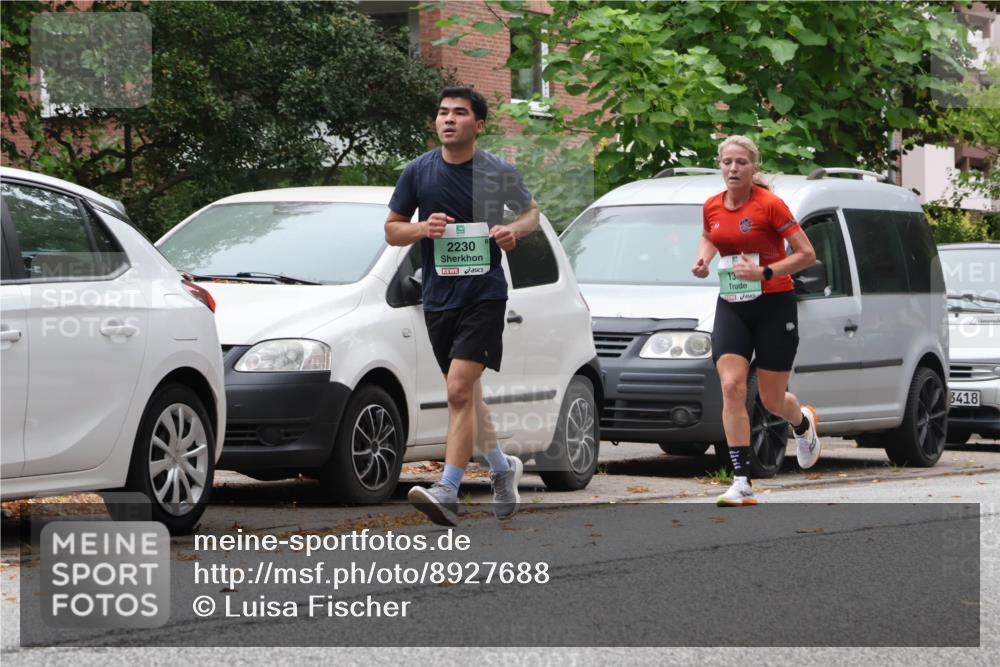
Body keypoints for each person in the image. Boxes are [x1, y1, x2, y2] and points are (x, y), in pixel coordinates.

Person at [384, 87, 540, 526]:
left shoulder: (497, 171)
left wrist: (514, 231)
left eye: (459, 113)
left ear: (479, 125)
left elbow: (531, 213)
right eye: (442, 112)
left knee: (456, 388)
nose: (448, 119)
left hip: (484, 295)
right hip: (437, 296)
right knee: (467, 393)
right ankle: (501, 467)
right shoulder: (418, 172)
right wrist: (421, 229)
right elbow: (392, 231)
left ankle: (447, 489)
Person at [691, 135, 821, 507]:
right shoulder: (712, 205)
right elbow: (709, 235)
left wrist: (765, 272)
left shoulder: (770, 206)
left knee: (771, 399)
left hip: (774, 303)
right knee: (732, 386)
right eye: (727, 162)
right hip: (731, 302)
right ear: (720, 165)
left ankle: (802, 423)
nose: (733, 169)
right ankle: (741, 480)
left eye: (741, 163)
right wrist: (703, 258)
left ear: (753, 167)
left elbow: (806, 254)